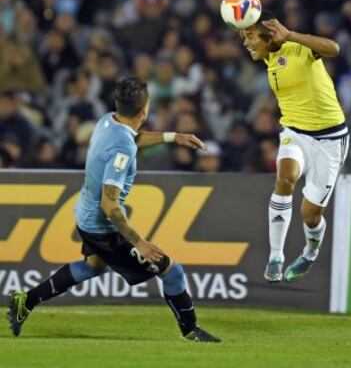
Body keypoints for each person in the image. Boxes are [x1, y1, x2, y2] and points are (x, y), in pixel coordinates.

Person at [7, 77, 221, 343]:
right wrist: (139, 243)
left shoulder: (109, 120)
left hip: (84, 215)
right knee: (171, 270)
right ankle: (191, 330)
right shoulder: (122, 148)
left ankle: (26, 301)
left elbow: (133, 137)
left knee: (93, 267)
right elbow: (109, 205)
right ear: (145, 111)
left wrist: (174, 137)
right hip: (102, 227)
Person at [240, 12, 349, 283]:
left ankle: (310, 252)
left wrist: (290, 35)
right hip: (295, 133)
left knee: (310, 216)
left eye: (250, 36)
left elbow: (334, 49)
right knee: (285, 177)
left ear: (268, 34)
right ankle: (275, 256)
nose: (246, 43)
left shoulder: (298, 48)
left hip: (331, 139)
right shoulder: (267, 57)